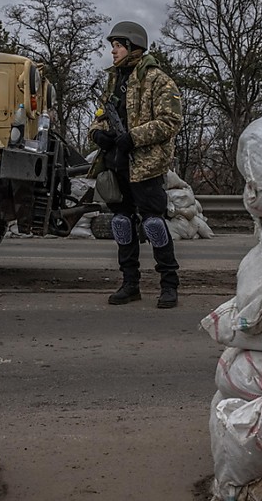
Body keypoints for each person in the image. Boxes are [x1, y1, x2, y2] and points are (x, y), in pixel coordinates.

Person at [88, 20, 183, 309]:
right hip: (117, 164)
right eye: (113, 47)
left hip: (146, 165)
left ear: (133, 47)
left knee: (154, 224)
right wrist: (98, 134)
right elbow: (100, 115)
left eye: (117, 46)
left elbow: (171, 121)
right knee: (121, 223)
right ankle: (130, 284)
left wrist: (134, 137)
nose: (113, 51)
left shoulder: (158, 80)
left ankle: (169, 285)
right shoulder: (112, 80)